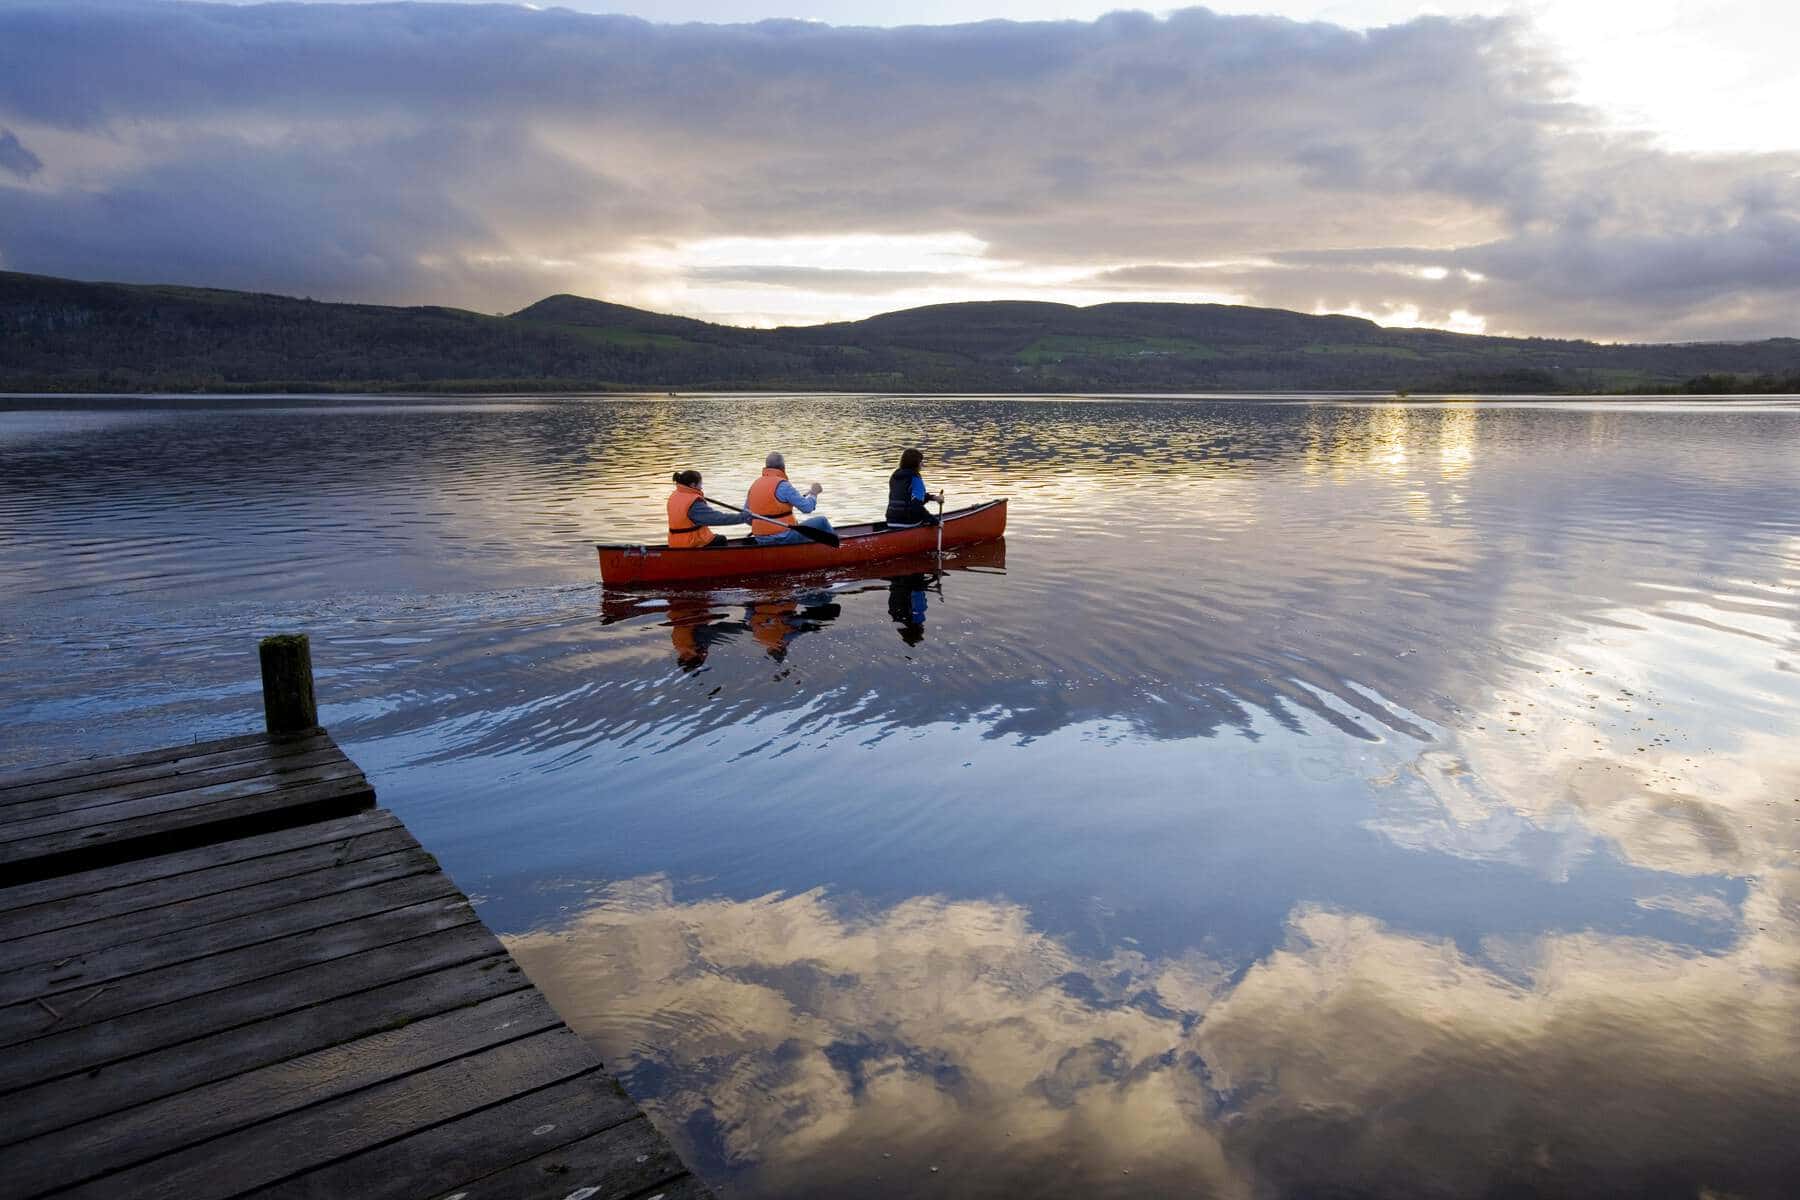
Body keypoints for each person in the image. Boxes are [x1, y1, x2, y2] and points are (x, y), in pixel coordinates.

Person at [746, 452, 835, 546]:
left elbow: (747, 518)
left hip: (760, 539)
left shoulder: (754, 485)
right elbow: (807, 508)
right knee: (822, 521)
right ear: (783, 468)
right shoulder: (783, 485)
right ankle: (838, 547)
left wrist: (764, 527)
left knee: (798, 525)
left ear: (766, 467)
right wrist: (814, 493)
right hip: (782, 538)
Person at [666, 469, 747, 549]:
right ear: (693, 485)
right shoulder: (694, 502)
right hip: (691, 543)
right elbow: (717, 519)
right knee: (721, 539)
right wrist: (743, 517)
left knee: (716, 537)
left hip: (675, 542)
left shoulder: (675, 495)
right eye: (700, 484)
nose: (701, 488)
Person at [886, 447, 944, 527]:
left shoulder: (895, 476)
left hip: (891, 521)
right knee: (927, 520)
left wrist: (934, 497)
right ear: (915, 463)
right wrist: (935, 522)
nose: (922, 464)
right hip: (908, 522)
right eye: (920, 461)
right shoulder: (915, 478)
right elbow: (916, 507)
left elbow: (907, 497)